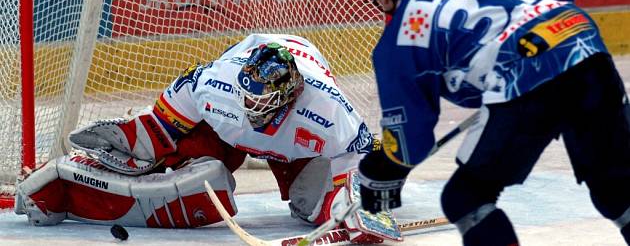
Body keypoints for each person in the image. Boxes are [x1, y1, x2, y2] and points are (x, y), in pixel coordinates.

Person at [356, 0, 630, 246]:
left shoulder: (398, 40)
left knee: (466, 198)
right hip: (582, 42)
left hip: (522, 75)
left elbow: (410, 143)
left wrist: (377, 173)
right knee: (616, 189)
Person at [15, 33, 392, 243]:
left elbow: (355, 157)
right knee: (197, 172)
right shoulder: (215, 83)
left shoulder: (329, 112)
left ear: (290, 96)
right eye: (248, 97)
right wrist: (143, 143)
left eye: (262, 102)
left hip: (296, 143)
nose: (250, 108)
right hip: (226, 117)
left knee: (315, 209)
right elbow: (162, 124)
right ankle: (78, 181)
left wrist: (358, 205)